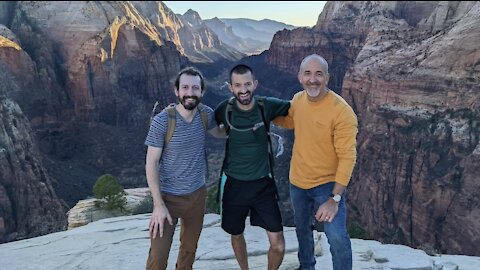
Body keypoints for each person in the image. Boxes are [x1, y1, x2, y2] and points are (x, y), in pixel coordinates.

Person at [273, 54, 358, 270]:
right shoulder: (298, 100)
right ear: (300, 77)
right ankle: (306, 267)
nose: (313, 80)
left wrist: (334, 198)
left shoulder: (342, 112)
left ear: (327, 78)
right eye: (308, 74)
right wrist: (258, 108)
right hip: (298, 182)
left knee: (336, 236)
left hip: (328, 185)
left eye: (319, 74)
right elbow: (289, 121)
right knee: (302, 230)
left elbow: (348, 157)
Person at [144, 66, 225, 270]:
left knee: (189, 250)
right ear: (177, 91)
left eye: (195, 88)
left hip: (197, 196)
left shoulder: (205, 114)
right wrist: (158, 204)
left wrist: (245, 122)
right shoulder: (163, 121)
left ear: (202, 92)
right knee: (158, 257)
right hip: (168, 198)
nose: (190, 93)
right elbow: (151, 162)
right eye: (186, 87)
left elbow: (221, 133)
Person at [214, 64, 291, 270]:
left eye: (247, 84)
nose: (243, 89)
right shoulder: (225, 108)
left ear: (255, 84)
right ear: (231, 87)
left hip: (262, 186)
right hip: (233, 185)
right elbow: (204, 123)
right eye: (238, 85)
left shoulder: (267, 106)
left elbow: (299, 107)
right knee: (236, 233)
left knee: (279, 245)